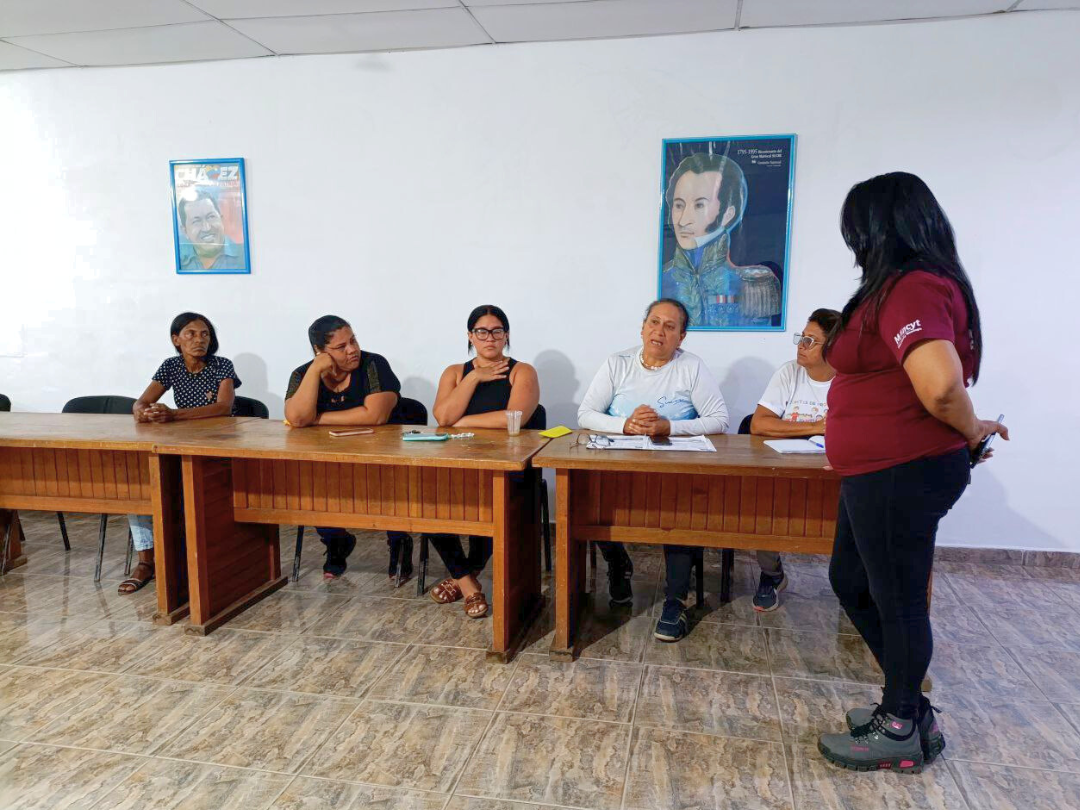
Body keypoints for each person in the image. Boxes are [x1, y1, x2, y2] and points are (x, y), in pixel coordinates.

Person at [816, 172, 1007, 773]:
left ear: (882, 227)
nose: (853, 241)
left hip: (899, 471)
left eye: (857, 228)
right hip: (876, 471)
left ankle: (900, 724)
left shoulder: (913, 286)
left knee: (897, 601)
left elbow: (942, 386)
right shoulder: (893, 287)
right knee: (851, 581)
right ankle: (908, 706)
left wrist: (970, 430)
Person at [578, 298, 729, 641]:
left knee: (680, 514)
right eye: (653, 322)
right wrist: (626, 425)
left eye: (670, 326)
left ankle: (675, 600)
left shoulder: (691, 366)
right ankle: (618, 564)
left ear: (681, 337)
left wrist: (668, 426)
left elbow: (720, 420)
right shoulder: (618, 363)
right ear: (643, 327)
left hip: (673, 469)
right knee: (589, 500)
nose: (659, 331)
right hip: (620, 465)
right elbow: (585, 414)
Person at [425, 305, 541, 619]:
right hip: (459, 463)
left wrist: (461, 422)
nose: (490, 338)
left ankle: (462, 577)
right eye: (482, 331)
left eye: (497, 331)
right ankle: (467, 582)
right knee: (427, 503)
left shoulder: (521, 371)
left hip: (507, 466)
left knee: (491, 501)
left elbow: (514, 418)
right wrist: (474, 377)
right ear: (470, 336)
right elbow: (443, 416)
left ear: (506, 335)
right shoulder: (455, 372)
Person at [123, 312, 241, 594]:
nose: (199, 340)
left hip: (218, 448)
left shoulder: (222, 365)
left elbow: (223, 407)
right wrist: (142, 412)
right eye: (191, 334)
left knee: (192, 494)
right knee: (139, 490)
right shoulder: (171, 366)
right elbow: (142, 401)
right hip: (177, 447)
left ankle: (197, 559)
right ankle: (146, 562)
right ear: (176, 340)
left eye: (205, 334)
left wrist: (174, 415)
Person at [284, 315, 407, 581]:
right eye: (341, 347)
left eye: (353, 340)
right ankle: (337, 541)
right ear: (320, 351)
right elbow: (296, 417)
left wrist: (316, 419)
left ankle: (399, 541)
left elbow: (375, 415)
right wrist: (315, 371)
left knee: (392, 486)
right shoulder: (302, 374)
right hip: (329, 460)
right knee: (309, 486)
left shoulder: (373, 364)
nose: (352, 349)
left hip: (382, 457)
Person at [749, 307, 840, 611]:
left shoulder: (851, 381)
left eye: (810, 341)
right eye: (801, 337)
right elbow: (759, 424)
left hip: (833, 473)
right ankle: (771, 574)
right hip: (784, 470)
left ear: (833, 347)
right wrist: (816, 426)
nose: (801, 345)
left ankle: (853, 581)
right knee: (760, 504)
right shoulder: (789, 372)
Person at [659, 153, 782, 328]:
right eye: (679, 205)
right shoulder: (661, 280)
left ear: (728, 214)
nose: (683, 220)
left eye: (699, 205)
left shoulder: (755, 284)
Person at [177, 190, 245, 272]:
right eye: (196, 221)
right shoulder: (178, 261)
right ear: (185, 231)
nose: (206, 228)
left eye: (211, 217)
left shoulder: (245, 256)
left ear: (222, 220)